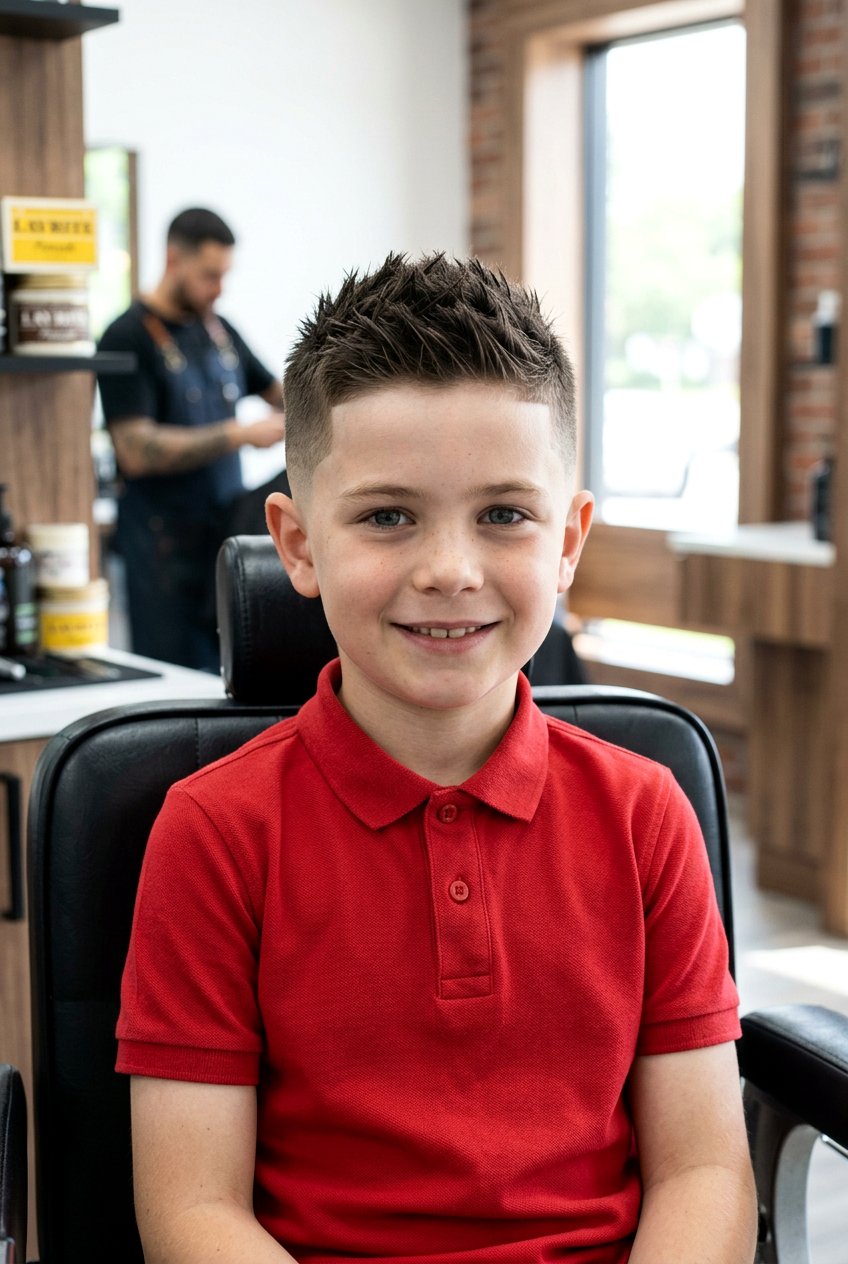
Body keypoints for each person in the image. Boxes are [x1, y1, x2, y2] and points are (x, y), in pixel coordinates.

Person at [116, 254, 757, 1263]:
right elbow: (195, 1212)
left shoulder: (645, 812)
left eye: (503, 514)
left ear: (567, 540)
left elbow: (704, 1172)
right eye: (386, 516)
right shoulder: (215, 830)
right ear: (296, 544)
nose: (448, 570)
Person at [97, 207, 286, 673]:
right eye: (209, 275)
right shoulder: (125, 338)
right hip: (162, 547)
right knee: (175, 677)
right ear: (173, 260)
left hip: (222, 533)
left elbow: (278, 393)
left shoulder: (217, 330)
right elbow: (135, 450)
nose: (218, 288)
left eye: (224, 276)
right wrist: (238, 433)